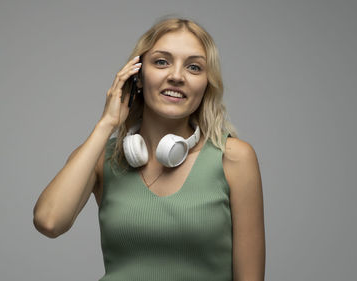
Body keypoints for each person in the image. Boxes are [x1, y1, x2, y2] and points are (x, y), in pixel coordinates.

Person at [33, 17, 265, 281]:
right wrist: (107, 123)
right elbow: (49, 221)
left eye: (194, 67)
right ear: (138, 76)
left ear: (206, 85)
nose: (176, 76)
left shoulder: (233, 158)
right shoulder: (103, 158)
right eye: (162, 62)